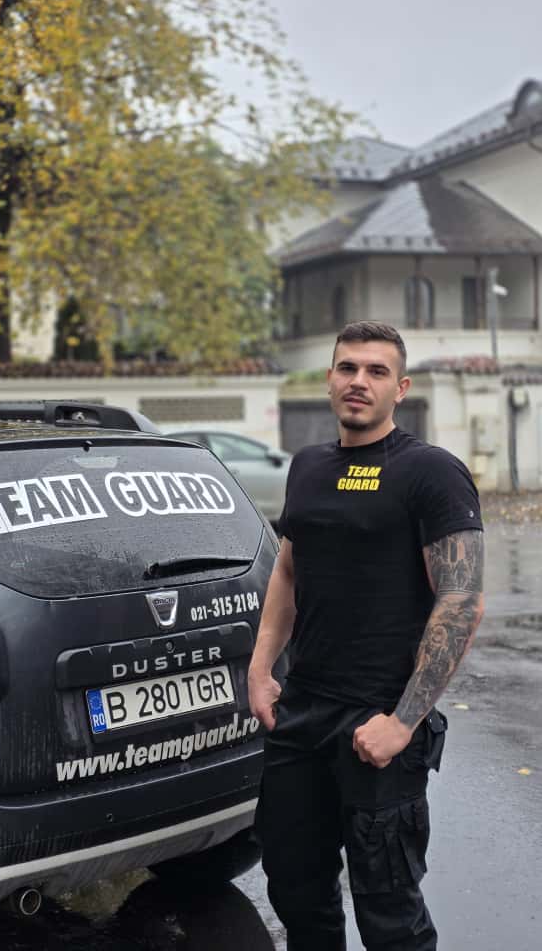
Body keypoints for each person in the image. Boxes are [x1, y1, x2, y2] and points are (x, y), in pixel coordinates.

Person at [249, 321, 484, 951]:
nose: (359, 381)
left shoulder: (431, 472)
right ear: (329, 379)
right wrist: (261, 669)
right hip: (302, 715)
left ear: (400, 388)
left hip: (380, 719)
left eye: (377, 371)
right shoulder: (308, 467)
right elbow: (288, 570)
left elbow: (462, 600)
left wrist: (404, 722)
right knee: (297, 892)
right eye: (348, 368)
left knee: (390, 914)